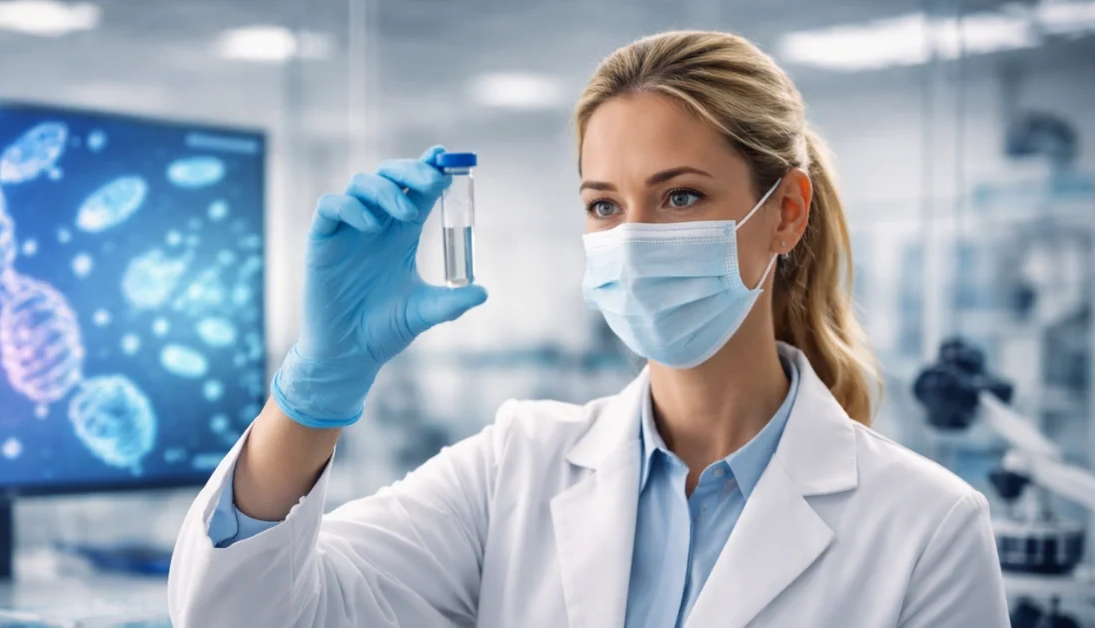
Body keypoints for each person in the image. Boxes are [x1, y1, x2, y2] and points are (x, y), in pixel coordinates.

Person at [169, 30, 1009, 628]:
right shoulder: (515, 468)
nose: (633, 238)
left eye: (680, 196)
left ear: (785, 213)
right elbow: (242, 613)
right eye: (605, 205)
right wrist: (316, 388)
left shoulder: (926, 527)